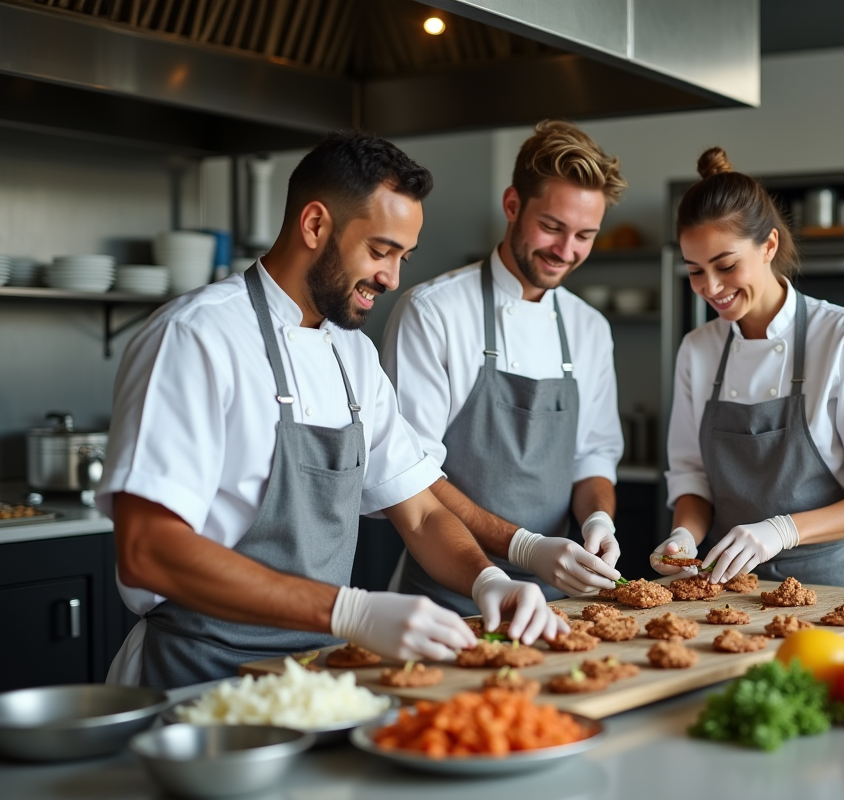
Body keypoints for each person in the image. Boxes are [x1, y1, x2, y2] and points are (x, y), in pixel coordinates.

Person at [99, 132, 564, 690]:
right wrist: (351, 612)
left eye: (403, 257)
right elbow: (147, 551)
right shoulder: (196, 337)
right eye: (380, 251)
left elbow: (419, 511)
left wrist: (488, 578)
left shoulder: (353, 353)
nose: (393, 278)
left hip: (316, 682)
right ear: (315, 225)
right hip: (199, 675)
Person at [382, 120, 627, 614]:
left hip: (560, 606)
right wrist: (524, 548)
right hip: (446, 603)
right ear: (512, 205)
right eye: (552, 227)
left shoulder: (590, 327)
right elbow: (412, 475)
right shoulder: (434, 312)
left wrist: (599, 521)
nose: (566, 251)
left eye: (585, 235)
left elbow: (593, 457)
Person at [650, 147, 844, 588]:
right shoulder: (697, 350)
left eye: (726, 265)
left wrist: (782, 530)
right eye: (695, 271)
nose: (710, 288)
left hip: (833, 591)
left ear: (769, 245)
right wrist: (685, 535)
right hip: (727, 592)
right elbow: (692, 478)